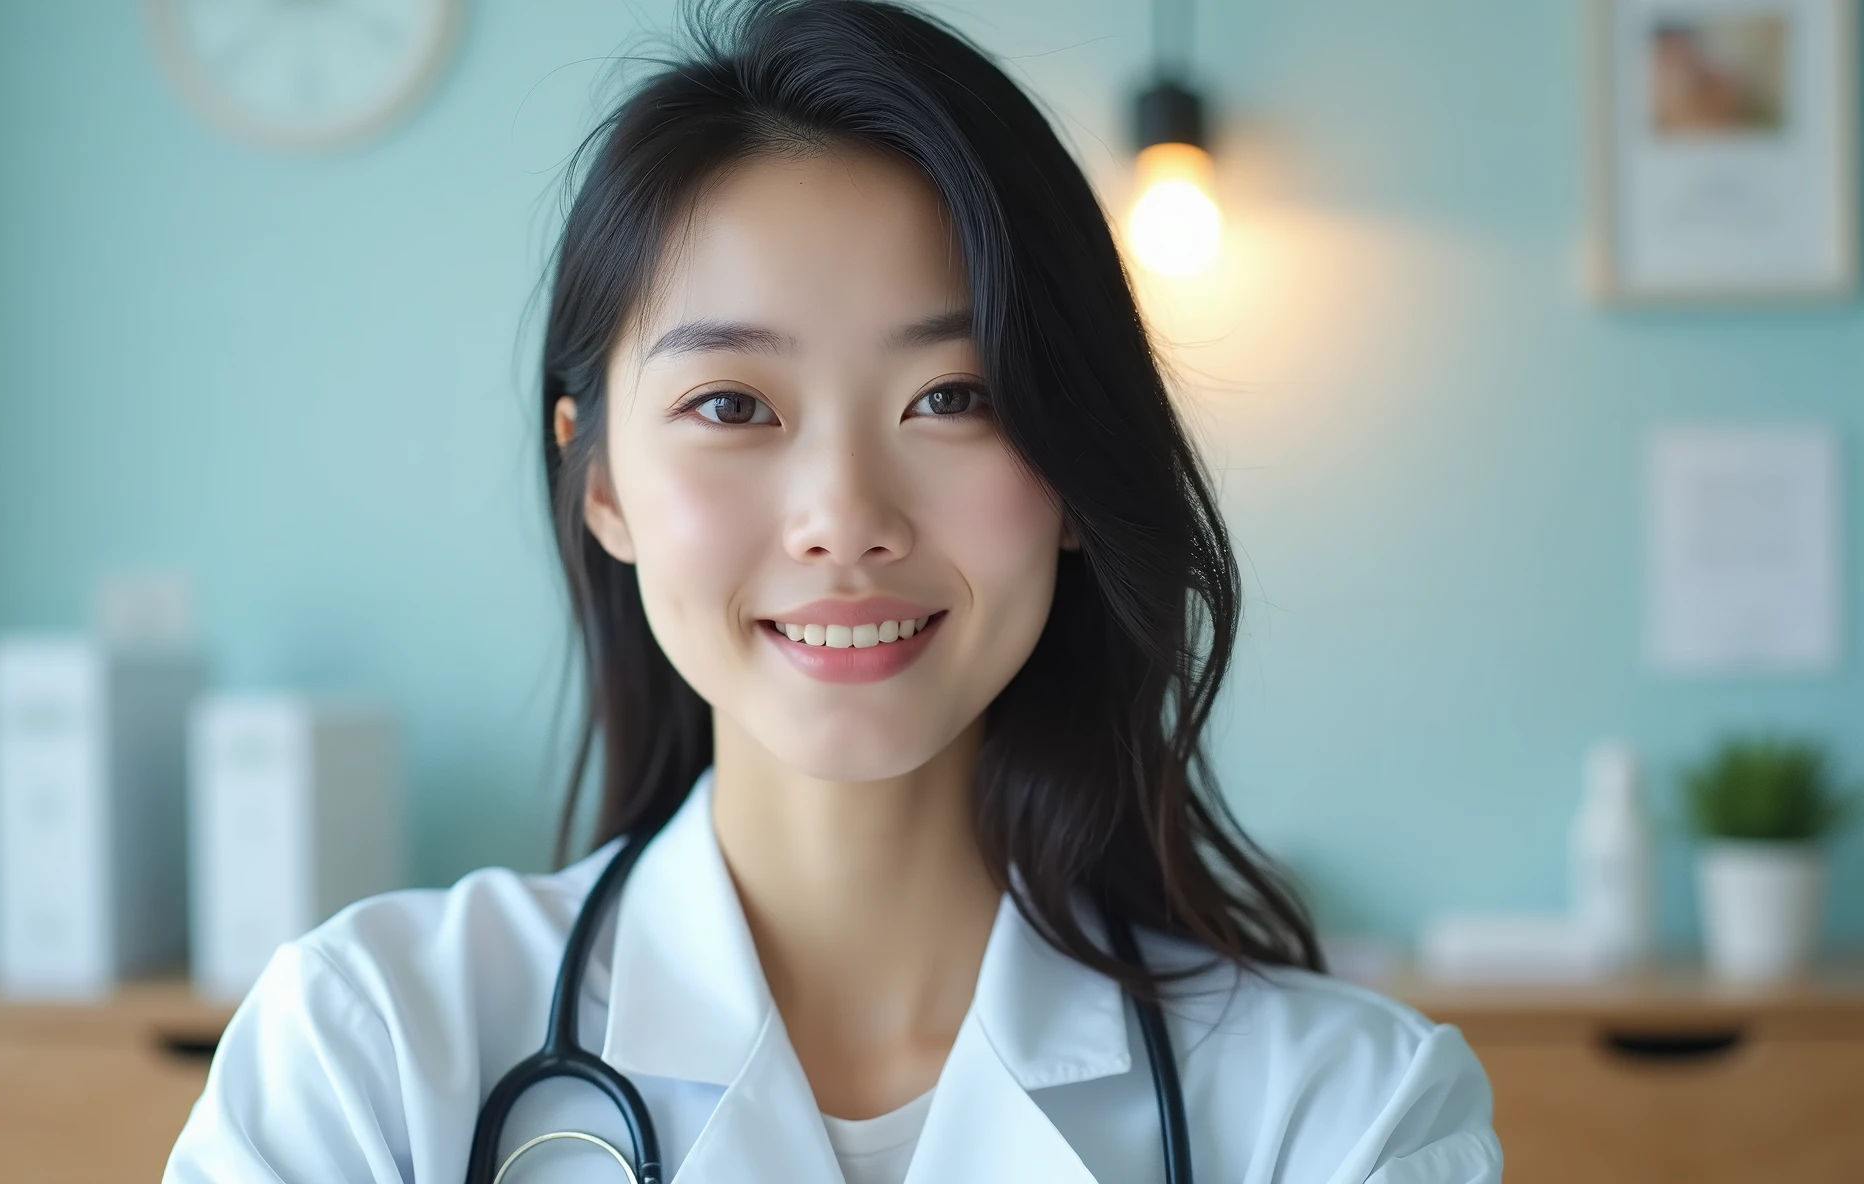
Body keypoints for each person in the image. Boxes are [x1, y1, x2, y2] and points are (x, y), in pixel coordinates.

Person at [165, 2, 1502, 1180]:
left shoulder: (1342, 1115)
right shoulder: (368, 1053)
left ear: (1078, 468)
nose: (846, 520)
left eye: (954, 397)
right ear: (604, 484)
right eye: (732, 403)